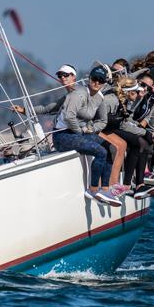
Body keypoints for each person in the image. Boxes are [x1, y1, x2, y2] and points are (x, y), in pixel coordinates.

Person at [51, 66, 121, 206]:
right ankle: (93, 190)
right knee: (100, 152)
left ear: (104, 82)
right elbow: (70, 117)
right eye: (94, 79)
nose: (96, 83)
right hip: (62, 136)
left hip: (76, 133)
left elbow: (102, 121)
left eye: (100, 81)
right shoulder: (79, 94)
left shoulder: (99, 97)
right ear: (89, 79)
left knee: (111, 148)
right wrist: (81, 132)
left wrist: (91, 129)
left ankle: (105, 190)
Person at [12, 64, 77, 116]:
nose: (62, 77)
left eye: (65, 75)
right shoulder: (66, 96)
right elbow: (45, 109)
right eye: (60, 76)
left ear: (73, 76)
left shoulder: (81, 92)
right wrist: (24, 110)